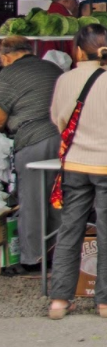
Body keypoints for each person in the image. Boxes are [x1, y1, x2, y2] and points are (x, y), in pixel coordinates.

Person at [47, 25, 107, 319]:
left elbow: (57, 119)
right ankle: (106, 302)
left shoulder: (64, 79)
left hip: (75, 164)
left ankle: (59, 301)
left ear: (77, 50)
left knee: (69, 230)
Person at [0, 36, 64, 277]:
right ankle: (59, 253)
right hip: (64, 138)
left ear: (6, 56)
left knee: (33, 199)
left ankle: (32, 258)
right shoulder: (52, 68)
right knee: (57, 198)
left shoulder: (8, 75)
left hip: (35, 139)